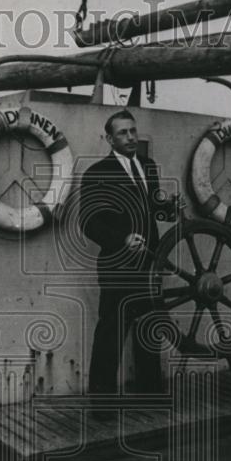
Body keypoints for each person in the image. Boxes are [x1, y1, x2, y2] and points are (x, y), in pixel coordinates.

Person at [79, 109, 169, 407]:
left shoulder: (149, 166)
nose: (130, 137)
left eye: (133, 131)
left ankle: (151, 392)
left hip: (150, 264)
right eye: (122, 133)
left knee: (148, 327)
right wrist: (122, 239)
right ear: (109, 138)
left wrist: (170, 208)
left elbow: (154, 210)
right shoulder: (97, 173)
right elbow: (88, 222)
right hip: (118, 266)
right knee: (111, 333)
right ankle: (102, 402)